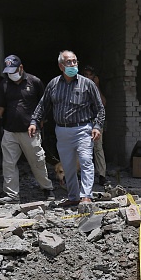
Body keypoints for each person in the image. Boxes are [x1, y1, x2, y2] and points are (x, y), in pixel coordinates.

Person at [28, 50, 104, 208]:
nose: (73, 65)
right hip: (62, 131)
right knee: (68, 166)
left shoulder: (87, 84)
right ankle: (74, 196)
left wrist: (97, 126)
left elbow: (100, 108)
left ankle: (86, 196)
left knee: (85, 161)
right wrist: (34, 121)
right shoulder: (54, 84)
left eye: (75, 61)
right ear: (61, 66)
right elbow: (43, 105)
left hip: (83, 129)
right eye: (69, 62)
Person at [0, 55, 54, 203]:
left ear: (21, 68)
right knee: (9, 164)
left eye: (14, 71)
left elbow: (44, 104)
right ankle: (12, 195)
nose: (11, 74)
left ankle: (47, 189)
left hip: (30, 131)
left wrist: (40, 120)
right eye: (9, 72)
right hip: (10, 131)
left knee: (37, 161)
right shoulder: (4, 85)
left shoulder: (34, 82)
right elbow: (0, 107)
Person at [81, 65, 107, 185]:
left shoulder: (96, 88)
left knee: (98, 148)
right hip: (82, 122)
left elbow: (103, 103)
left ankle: (102, 175)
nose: (87, 77)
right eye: (85, 75)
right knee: (82, 149)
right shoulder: (80, 87)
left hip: (95, 122)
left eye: (90, 75)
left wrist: (96, 85)